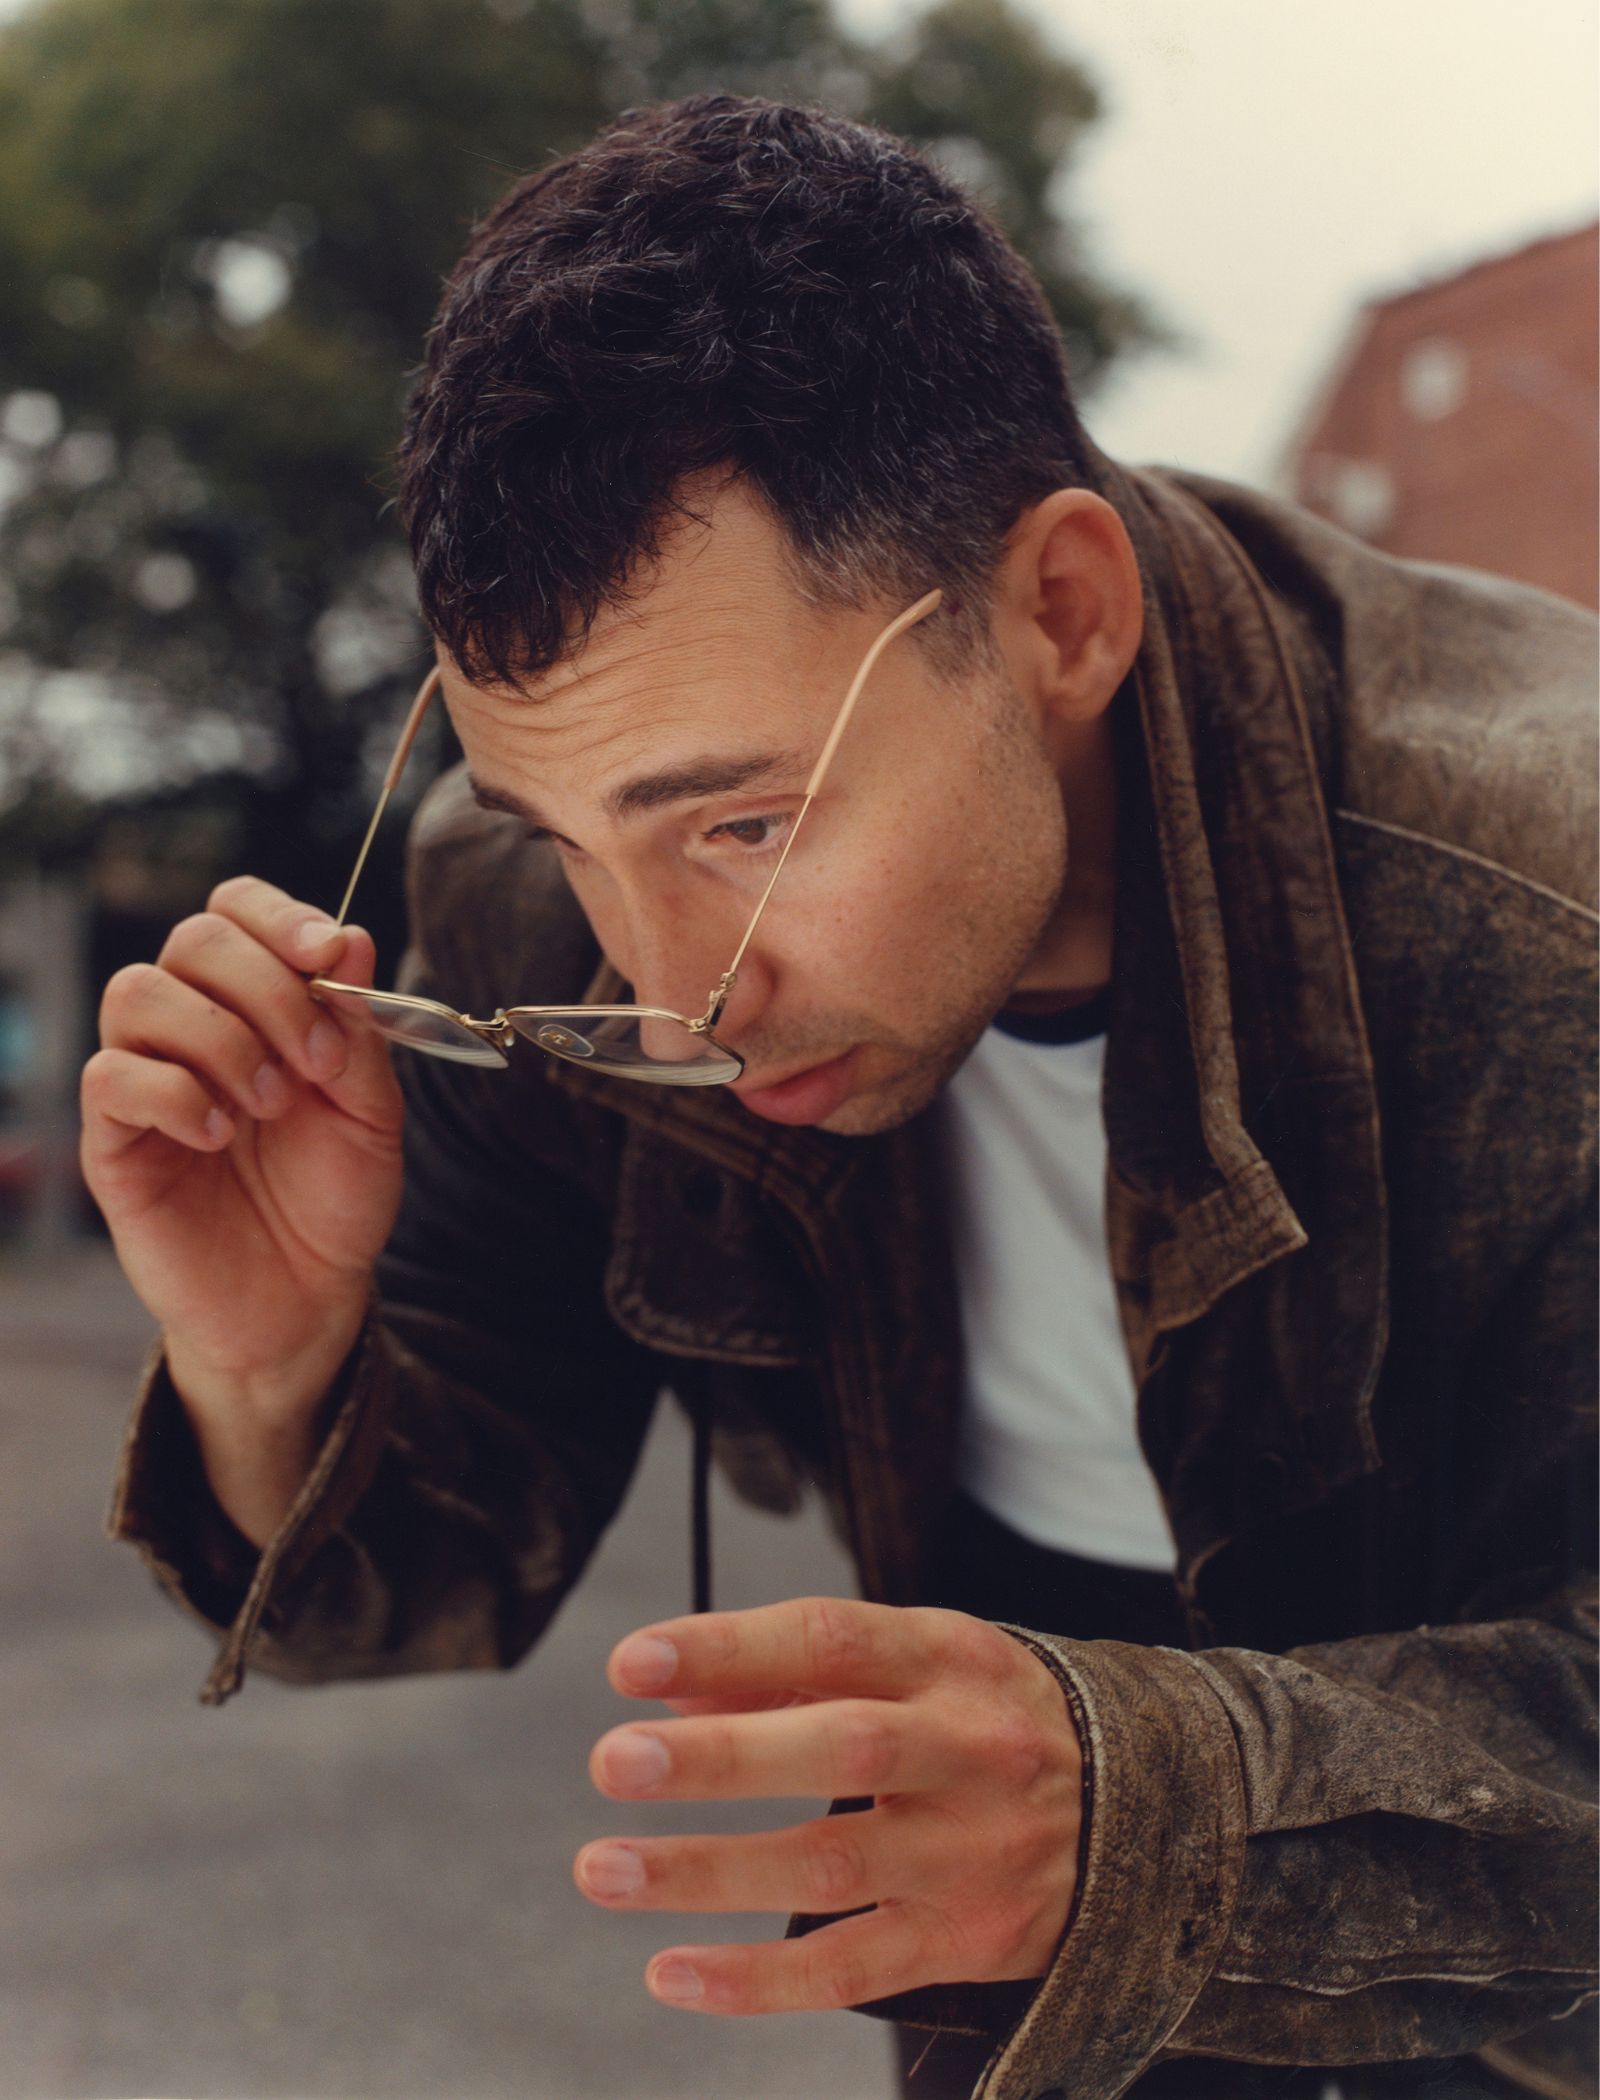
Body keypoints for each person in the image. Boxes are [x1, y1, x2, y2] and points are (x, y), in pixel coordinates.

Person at [83, 96, 1596, 2100]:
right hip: (1002, 1894)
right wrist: (266, 1372)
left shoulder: (1539, 909)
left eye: (743, 819)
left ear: (1057, 614)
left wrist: (1161, 1823)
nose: (663, 991)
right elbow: (414, 1591)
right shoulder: (532, 909)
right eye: (563, 832)